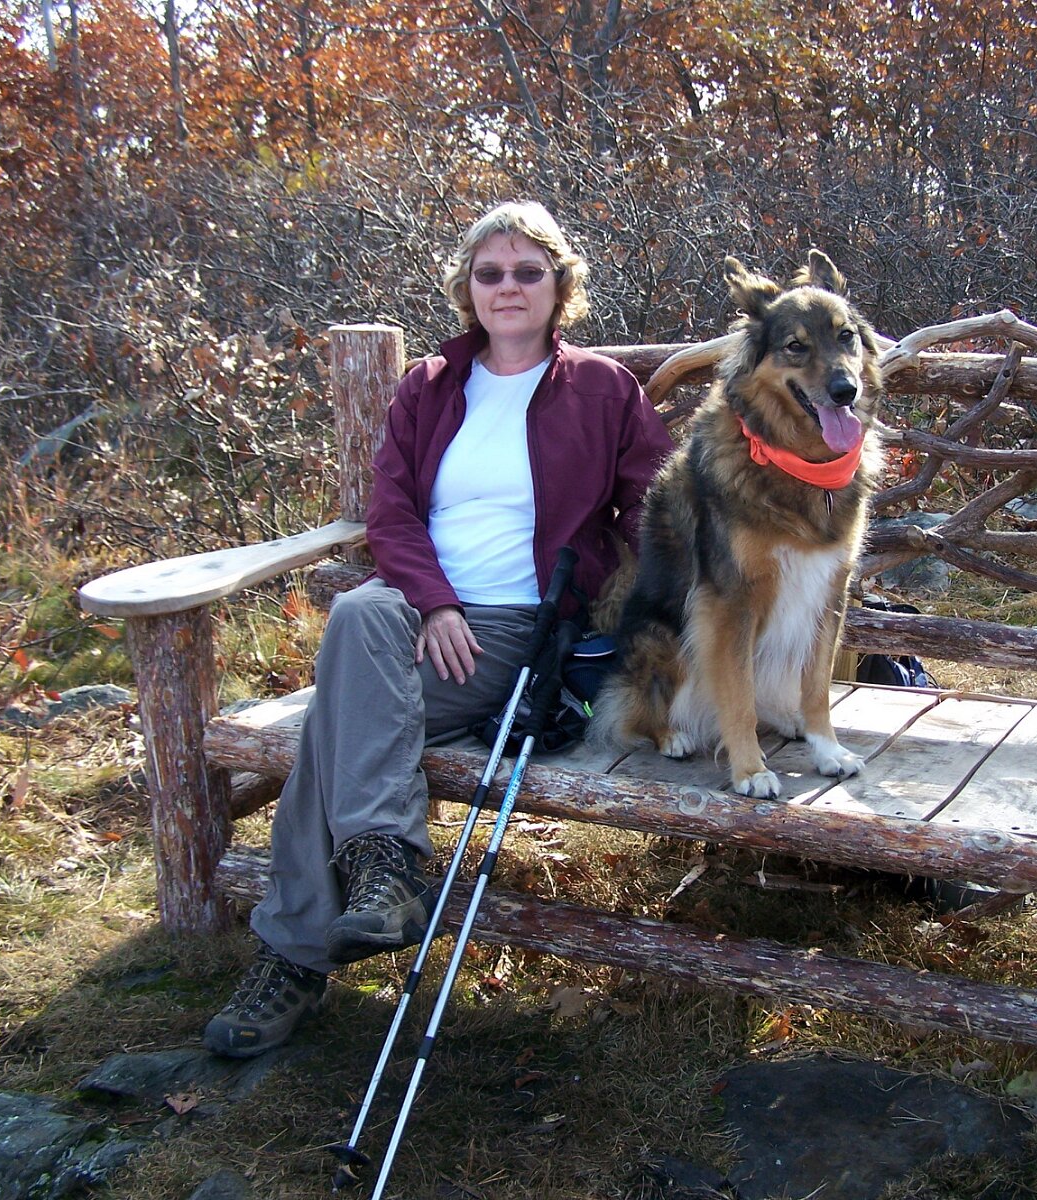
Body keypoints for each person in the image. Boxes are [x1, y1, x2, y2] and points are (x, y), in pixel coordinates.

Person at [203, 201, 673, 1057]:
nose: (508, 287)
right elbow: (390, 512)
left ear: (559, 285)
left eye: (527, 271)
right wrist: (435, 602)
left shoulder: (603, 389)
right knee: (359, 609)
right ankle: (383, 866)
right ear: (467, 288)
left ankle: (294, 958)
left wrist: (687, 593)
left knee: (333, 728)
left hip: (519, 627)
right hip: (418, 616)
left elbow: (655, 507)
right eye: (490, 273)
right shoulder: (429, 386)